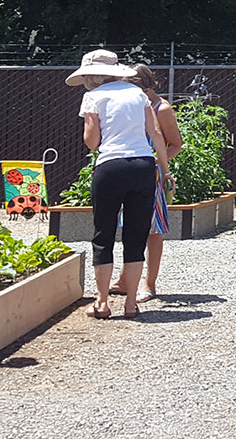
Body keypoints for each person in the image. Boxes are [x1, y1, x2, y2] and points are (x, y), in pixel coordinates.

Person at [66, 50, 173, 319]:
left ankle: (102, 303)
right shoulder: (138, 94)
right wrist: (165, 169)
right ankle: (130, 305)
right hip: (143, 166)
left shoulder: (92, 96)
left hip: (110, 167)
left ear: (92, 76)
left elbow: (92, 141)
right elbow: (156, 134)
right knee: (136, 237)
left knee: (103, 234)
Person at [110, 64, 183, 303]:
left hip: (150, 174)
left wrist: (158, 165)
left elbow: (175, 144)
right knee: (129, 226)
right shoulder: (131, 105)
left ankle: (148, 283)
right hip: (128, 171)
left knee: (152, 231)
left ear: (143, 83)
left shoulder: (162, 108)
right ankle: (124, 279)